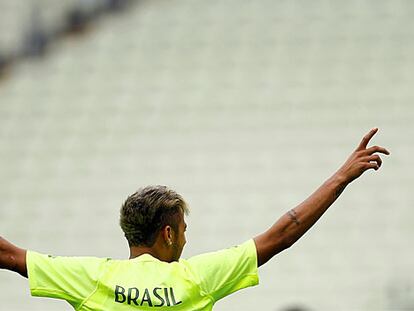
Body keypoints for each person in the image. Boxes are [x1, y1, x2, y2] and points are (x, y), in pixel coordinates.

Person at [0, 128, 390, 310]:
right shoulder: (196, 279)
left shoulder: (89, 278)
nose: (186, 241)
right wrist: (341, 177)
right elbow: (284, 232)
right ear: (168, 233)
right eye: (184, 231)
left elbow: (9, 255)